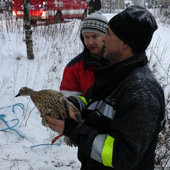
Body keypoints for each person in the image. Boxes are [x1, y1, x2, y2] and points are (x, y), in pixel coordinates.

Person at [46, 6, 165, 170]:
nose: (104, 39)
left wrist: (73, 130)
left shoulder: (142, 93)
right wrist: (73, 104)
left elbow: (121, 156)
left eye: (108, 34)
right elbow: (91, 101)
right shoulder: (114, 74)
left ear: (124, 43)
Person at [60, 12, 109, 97]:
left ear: (105, 37)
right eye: (86, 37)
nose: (90, 42)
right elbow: (68, 104)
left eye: (95, 36)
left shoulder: (118, 62)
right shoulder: (73, 68)